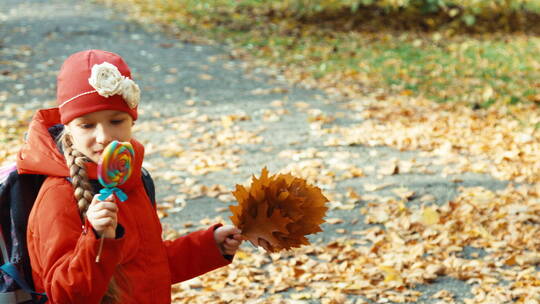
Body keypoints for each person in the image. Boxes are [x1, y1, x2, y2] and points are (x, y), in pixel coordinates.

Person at [17, 49, 243, 303]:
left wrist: (209, 246)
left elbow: (148, 263)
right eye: (87, 125)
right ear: (68, 129)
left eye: (116, 121)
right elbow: (65, 295)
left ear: (132, 121)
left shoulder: (134, 179)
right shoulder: (58, 195)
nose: (103, 137)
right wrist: (98, 239)